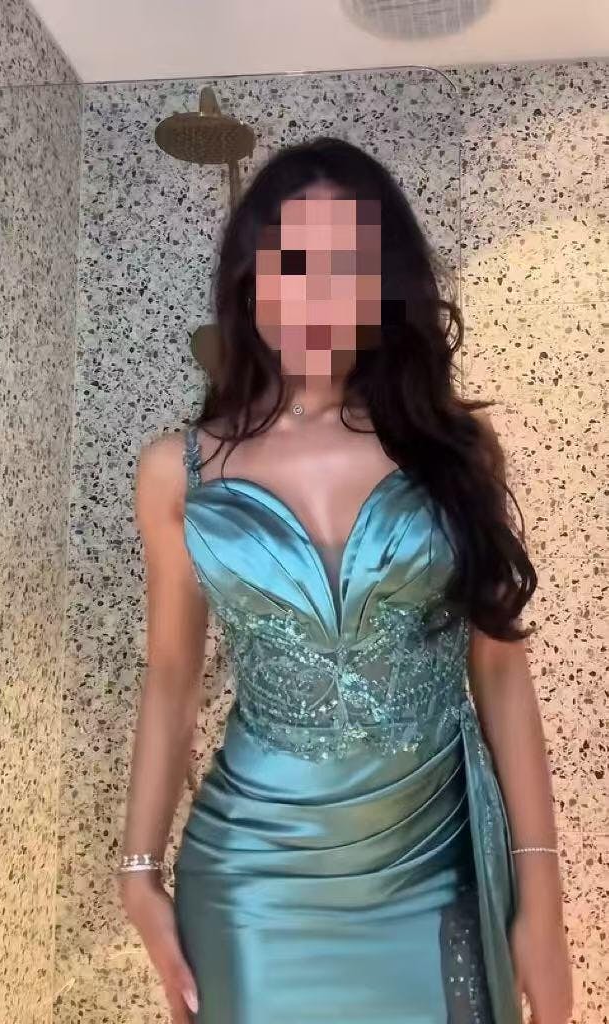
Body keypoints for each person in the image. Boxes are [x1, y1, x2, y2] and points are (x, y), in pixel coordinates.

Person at [117, 137, 573, 1024]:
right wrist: (139, 873)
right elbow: (171, 677)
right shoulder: (179, 472)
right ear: (252, 278)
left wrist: (541, 901)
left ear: (381, 289)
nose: (316, 299)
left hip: (434, 864)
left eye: (346, 269)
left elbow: (500, 674)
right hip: (251, 881)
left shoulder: (452, 453)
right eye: (293, 266)